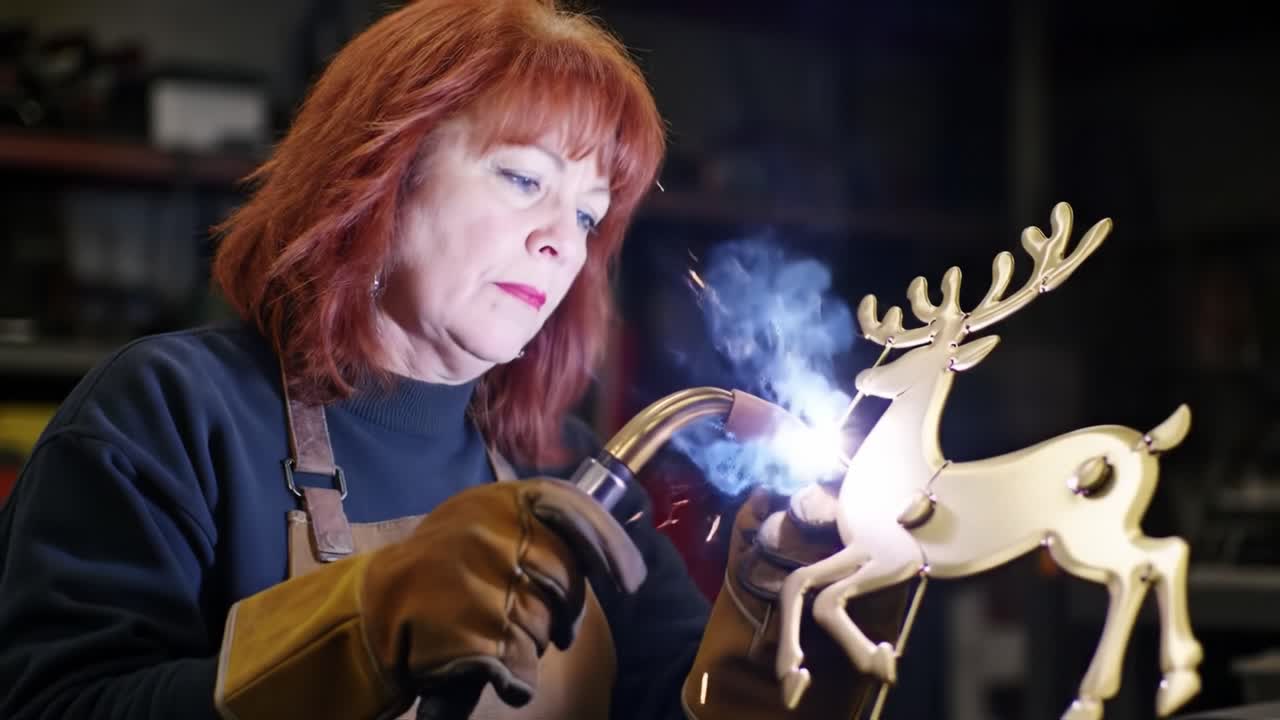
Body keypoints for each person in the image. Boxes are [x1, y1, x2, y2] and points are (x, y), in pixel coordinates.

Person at [0, 1, 906, 718]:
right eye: (523, 178)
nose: (562, 242)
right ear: (382, 169)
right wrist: (364, 627)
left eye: (587, 215)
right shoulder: (167, 415)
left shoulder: (572, 473)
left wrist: (775, 617)